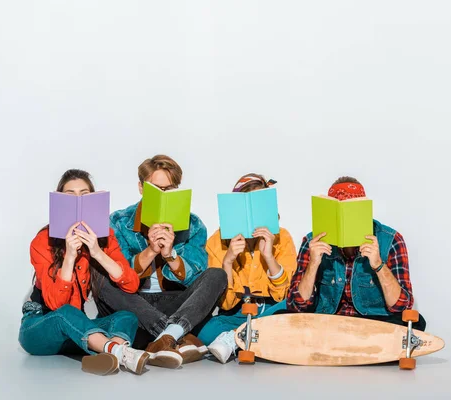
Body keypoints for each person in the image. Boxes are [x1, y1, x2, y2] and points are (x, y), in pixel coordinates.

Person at [95, 155, 228, 369]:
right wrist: (150, 251)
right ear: (141, 187)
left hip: (176, 305)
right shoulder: (118, 221)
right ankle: (174, 337)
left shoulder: (193, 224)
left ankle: (165, 337)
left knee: (217, 274)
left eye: (169, 189)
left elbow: (198, 277)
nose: (162, 195)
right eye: (156, 189)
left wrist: (170, 255)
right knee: (100, 276)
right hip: (135, 308)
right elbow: (118, 274)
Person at [19, 169, 150, 376]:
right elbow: (57, 306)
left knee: (126, 317)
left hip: (78, 332)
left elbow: (131, 284)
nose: (78, 202)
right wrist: (70, 256)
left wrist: (97, 252)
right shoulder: (42, 241)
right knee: (66, 314)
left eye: (85, 195)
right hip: (40, 327)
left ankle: (108, 356)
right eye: (71, 196)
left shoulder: (105, 236)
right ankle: (119, 352)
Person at [286, 176, 426, 330]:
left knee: (415, 322)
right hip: (327, 324)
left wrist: (378, 265)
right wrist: (313, 265)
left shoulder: (391, 240)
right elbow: (296, 306)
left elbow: (402, 306)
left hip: (373, 325)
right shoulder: (312, 242)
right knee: (281, 318)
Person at [196, 173, 298, 363]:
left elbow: (283, 294)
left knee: (293, 303)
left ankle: (234, 339)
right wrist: (228, 261)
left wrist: (268, 256)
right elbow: (224, 304)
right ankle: (250, 337)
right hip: (236, 312)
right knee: (202, 331)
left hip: (269, 310)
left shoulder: (282, 237)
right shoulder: (217, 241)